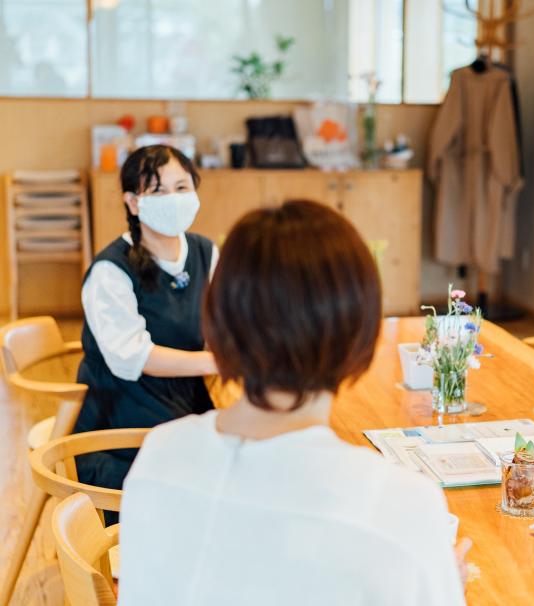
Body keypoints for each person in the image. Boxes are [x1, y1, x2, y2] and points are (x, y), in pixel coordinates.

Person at [118, 200, 471, 605]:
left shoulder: (159, 455)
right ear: (359, 330)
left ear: (219, 320)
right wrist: (441, 585)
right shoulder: (401, 503)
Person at [74, 145, 218, 494]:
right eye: (157, 190)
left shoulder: (205, 252)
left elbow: (229, 319)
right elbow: (133, 357)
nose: (173, 198)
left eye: (182, 187)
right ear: (133, 203)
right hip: (122, 420)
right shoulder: (111, 270)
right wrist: (216, 362)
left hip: (187, 405)